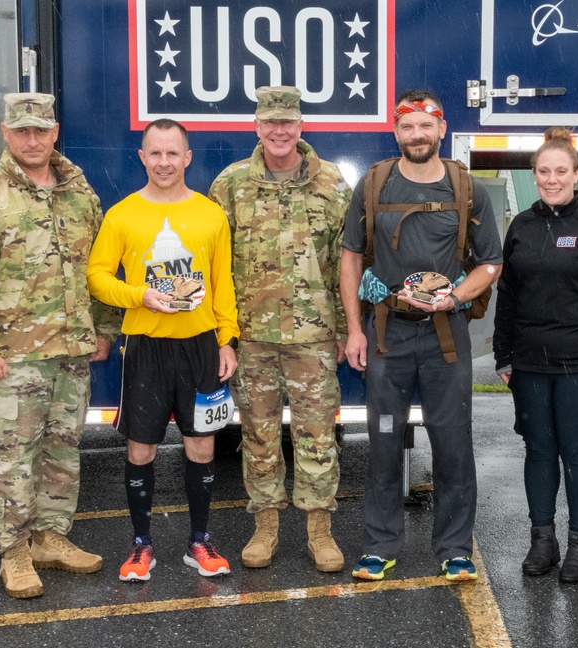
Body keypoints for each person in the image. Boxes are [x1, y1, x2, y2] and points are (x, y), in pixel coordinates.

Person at [0, 92, 118, 599]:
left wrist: (104, 330)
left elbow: (98, 271)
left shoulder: (79, 195)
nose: (33, 140)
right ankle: (14, 554)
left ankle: (50, 538)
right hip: (9, 357)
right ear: (5, 132)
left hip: (69, 355)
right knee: (11, 461)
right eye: (23, 131)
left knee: (62, 453)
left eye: (41, 130)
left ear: (55, 130)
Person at [341, 89, 503, 582]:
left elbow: (491, 262)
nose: (416, 135)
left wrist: (453, 298)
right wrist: (354, 329)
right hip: (387, 335)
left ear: (441, 128)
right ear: (396, 131)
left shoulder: (466, 187)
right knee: (384, 442)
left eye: (424, 126)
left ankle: (455, 549)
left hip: (445, 337)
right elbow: (350, 257)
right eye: (407, 127)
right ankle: (379, 545)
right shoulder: (373, 184)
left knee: (452, 442)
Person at [87, 118, 239, 582]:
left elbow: (222, 283)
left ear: (188, 158)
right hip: (146, 348)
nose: (165, 162)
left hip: (200, 348)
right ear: (142, 157)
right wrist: (139, 295)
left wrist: (228, 338)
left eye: (173, 153)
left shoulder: (211, 214)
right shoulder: (122, 215)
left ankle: (199, 541)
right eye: (155, 153)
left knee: (202, 445)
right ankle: (141, 545)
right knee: (140, 449)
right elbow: (96, 276)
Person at [209, 86, 350, 573]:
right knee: (259, 435)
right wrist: (221, 335)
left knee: (316, 436)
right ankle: (265, 527)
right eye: (270, 122)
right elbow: (215, 265)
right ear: (257, 127)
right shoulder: (230, 185)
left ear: (301, 126)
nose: (279, 131)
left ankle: (319, 531)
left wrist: (349, 328)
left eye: (287, 122)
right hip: (252, 338)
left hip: (312, 336)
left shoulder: (332, 183)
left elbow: (345, 263)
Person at [492, 127, 578, 583]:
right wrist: (503, 355)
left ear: (577, 174)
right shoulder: (522, 226)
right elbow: (508, 295)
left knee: (577, 452)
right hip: (530, 363)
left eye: (561, 171)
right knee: (538, 450)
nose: (552, 179)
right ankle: (543, 541)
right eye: (543, 171)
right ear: (533, 175)